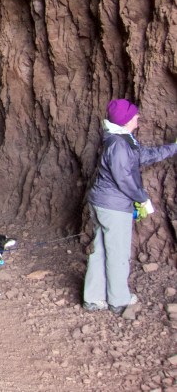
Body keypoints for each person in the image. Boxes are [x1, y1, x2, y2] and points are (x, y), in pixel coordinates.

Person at [82, 99, 177, 314]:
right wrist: (141, 198)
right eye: (135, 116)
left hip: (103, 202)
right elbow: (123, 177)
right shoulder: (118, 144)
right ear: (126, 121)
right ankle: (119, 300)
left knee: (101, 249)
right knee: (117, 252)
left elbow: (142, 156)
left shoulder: (122, 140)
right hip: (113, 206)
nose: (138, 118)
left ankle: (94, 298)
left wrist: (173, 148)